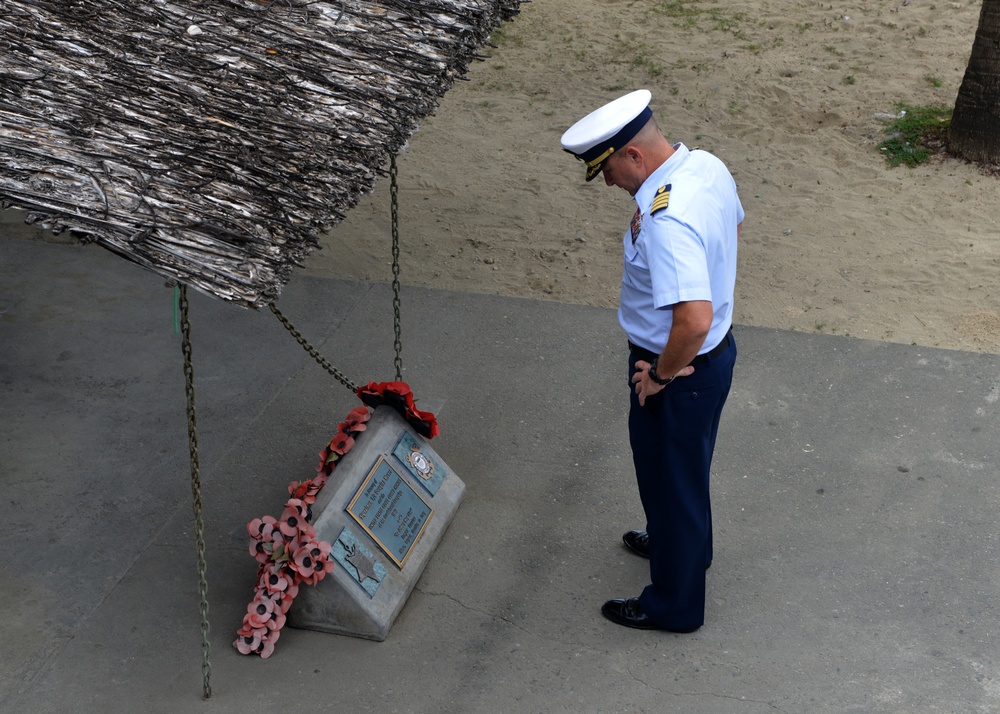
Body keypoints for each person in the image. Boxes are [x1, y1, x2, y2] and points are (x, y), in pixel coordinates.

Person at [561, 90, 744, 633]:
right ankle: (682, 548)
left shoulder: (664, 219)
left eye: (609, 171)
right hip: (711, 361)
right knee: (686, 474)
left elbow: (692, 319)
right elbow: (732, 228)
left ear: (634, 157)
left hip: (675, 367)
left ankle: (674, 604)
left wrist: (660, 374)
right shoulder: (706, 166)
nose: (610, 184)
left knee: (669, 481)